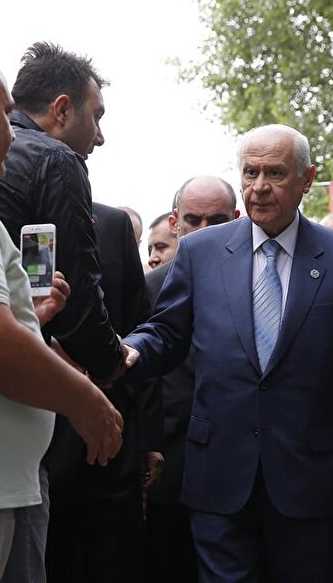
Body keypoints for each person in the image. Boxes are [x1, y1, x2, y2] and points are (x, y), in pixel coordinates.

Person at [123, 125, 333, 582]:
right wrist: (127, 350)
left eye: (275, 173)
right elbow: (166, 333)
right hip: (219, 476)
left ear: (307, 179)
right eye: (250, 173)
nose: (259, 186)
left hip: (309, 480)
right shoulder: (200, 252)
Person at [0, 47, 124, 583]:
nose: (13, 130)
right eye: (4, 114)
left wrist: (33, 317)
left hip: (4, 478)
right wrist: (92, 395)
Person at [0, 42, 128, 383]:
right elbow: (78, 287)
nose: (100, 137)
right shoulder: (56, 160)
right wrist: (110, 361)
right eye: (96, 116)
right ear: (62, 110)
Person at [45, 201, 160, 583]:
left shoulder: (113, 224)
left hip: (112, 437)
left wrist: (149, 439)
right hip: (39, 433)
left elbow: (139, 328)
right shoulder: (12, 212)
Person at [143, 175, 239, 583]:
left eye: (216, 221)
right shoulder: (149, 287)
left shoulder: (259, 279)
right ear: (175, 222)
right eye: (193, 220)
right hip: (170, 462)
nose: (204, 231)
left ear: (237, 219)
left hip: (238, 462)